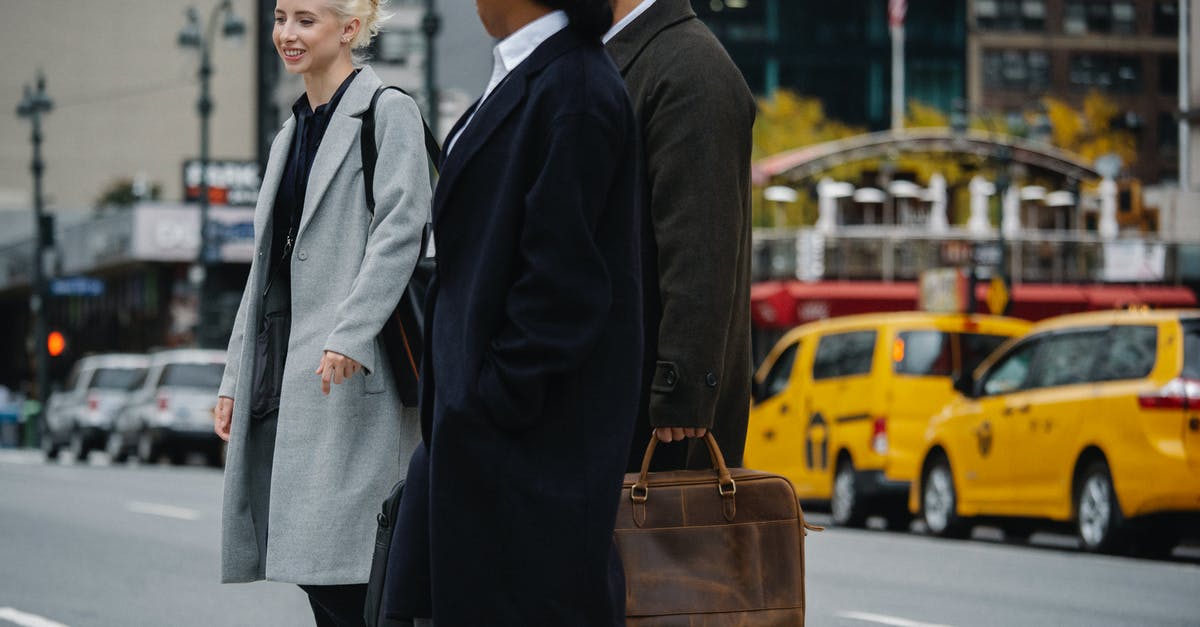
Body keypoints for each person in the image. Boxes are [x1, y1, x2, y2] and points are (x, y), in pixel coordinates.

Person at [382, 0, 642, 624]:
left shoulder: (575, 89)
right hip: (480, 448)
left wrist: (488, 402)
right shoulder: (532, 73)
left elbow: (564, 290)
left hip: (528, 458)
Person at [211, 0, 431, 624]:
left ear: (350, 29)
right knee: (319, 576)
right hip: (296, 379)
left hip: (358, 374)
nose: (286, 34)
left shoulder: (387, 111)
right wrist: (234, 378)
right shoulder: (291, 131)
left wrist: (351, 333)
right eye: (281, 18)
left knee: (363, 571)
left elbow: (400, 229)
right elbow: (264, 269)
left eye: (306, 20)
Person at [605, 0, 756, 471]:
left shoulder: (691, 68)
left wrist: (681, 390)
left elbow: (701, 245)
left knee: (659, 541)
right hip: (623, 394)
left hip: (658, 419)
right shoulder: (630, 58)